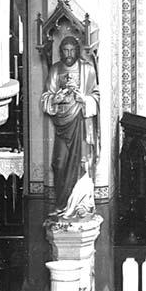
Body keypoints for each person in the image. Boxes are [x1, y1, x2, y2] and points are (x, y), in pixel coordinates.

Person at [41, 35, 100, 218]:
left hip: (80, 123)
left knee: (81, 163)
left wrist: (84, 98)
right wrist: (55, 98)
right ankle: (62, 205)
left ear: (77, 50)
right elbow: (45, 97)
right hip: (61, 124)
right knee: (58, 163)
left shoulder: (87, 70)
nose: (68, 54)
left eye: (71, 50)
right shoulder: (55, 70)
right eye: (65, 50)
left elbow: (96, 96)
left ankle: (79, 204)